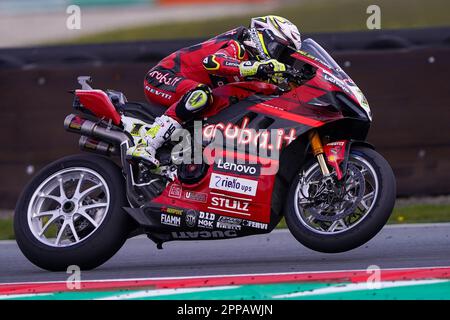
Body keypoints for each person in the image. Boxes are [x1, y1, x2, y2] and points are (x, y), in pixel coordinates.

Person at [126, 15, 302, 167]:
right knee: (201, 95)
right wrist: (257, 67)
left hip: (185, 90)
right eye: (281, 52)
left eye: (287, 57)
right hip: (162, 77)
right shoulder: (237, 46)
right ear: (264, 37)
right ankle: (146, 144)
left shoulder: (256, 71)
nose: (281, 59)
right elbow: (213, 62)